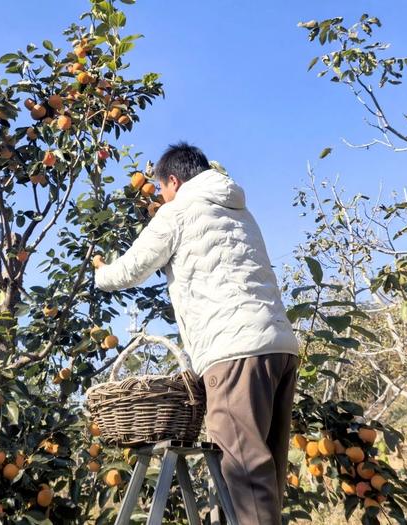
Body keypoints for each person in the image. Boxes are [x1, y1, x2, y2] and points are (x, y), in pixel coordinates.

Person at [93, 142, 299, 525]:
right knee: (263, 478)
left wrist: (100, 271)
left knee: (244, 474)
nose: (161, 197)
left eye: (161, 190)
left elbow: (132, 269)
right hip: (280, 347)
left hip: (235, 352)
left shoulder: (179, 211)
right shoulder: (239, 210)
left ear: (174, 180)